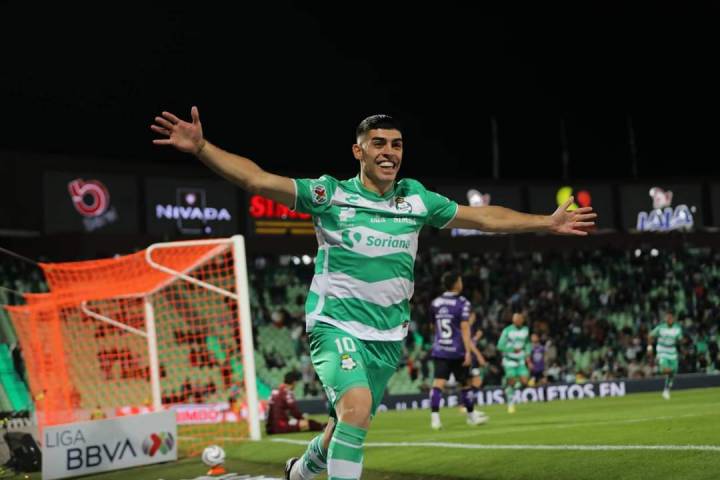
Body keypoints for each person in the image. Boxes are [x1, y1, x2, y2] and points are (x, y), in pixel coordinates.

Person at [151, 108, 596, 480]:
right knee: (358, 408)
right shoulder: (330, 194)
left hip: (387, 336)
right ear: (358, 151)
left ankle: (299, 472)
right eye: (378, 143)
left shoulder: (416, 199)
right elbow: (259, 181)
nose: (389, 152)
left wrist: (546, 222)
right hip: (335, 324)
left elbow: (482, 218)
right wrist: (203, 148)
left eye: (396, 144)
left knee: (345, 424)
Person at [428, 271, 487, 430]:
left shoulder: (435, 303)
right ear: (456, 284)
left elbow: (433, 327)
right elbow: (465, 328)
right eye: (460, 281)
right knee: (465, 384)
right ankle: (471, 416)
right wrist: (468, 351)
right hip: (457, 351)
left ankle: (435, 419)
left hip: (440, 349)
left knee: (438, 384)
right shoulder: (462, 303)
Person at [497, 312, 531, 413]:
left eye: (519, 319)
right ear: (513, 320)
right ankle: (510, 404)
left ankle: (508, 387)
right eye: (515, 319)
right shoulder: (507, 331)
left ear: (522, 320)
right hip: (509, 360)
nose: (517, 321)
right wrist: (512, 350)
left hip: (520, 360)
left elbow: (527, 343)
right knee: (512, 380)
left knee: (525, 382)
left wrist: (528, 353)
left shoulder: (526, 330)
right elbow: (500, 346)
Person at [647, 311, 683, 400]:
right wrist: (649, 348)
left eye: (671, 318)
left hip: (672, 351)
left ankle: (666, 389)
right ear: (665, 319)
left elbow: (680, 339)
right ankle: (659, 368)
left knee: (673, 371)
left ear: (673, 319)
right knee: (666, 370)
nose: (669, 319)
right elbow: (650, 335)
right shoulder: (661, 328)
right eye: (668, 318)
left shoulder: (677, 328)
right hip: (662, 350)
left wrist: (682, 343)